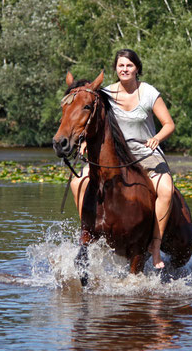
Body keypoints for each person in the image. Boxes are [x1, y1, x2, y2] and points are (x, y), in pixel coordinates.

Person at [71, 49, 175, 269]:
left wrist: (156, 138)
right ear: (116, 69)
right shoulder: (106, 93)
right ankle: (87, 237)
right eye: (121, 66)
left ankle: (155, 246)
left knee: (166, 188)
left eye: (129, 65)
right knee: (76, 181)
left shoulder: (148, 92)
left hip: (145, 152)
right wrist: (83, 143)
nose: (125, 69)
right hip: (114, 154)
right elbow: (92, 123)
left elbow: (169, 124)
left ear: (137, 68)